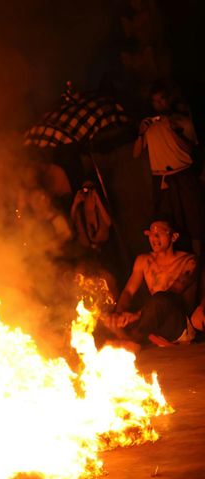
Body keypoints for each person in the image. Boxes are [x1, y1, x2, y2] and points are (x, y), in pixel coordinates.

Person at [133, 82, 203, 256]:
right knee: (168, 224)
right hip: (161, 179)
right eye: (155, 101)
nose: (159, 104)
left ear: (168, 100)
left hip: (183, 175)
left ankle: (199, 262)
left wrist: (173, 131)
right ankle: (175, 263)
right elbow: (135, 153)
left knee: (195, 221)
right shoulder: (148, 125)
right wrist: (141, 133)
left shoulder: (181, 121)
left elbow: (190, 151)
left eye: (162, 100)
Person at [102, 218, 196, 347]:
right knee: (105, 318)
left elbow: (172, 294)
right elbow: (129, 292)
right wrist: (119, 314)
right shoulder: (144, 260)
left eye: (159, 233)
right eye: (151, 234)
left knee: (160, 299)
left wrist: (137, 315)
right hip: (152, 321)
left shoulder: (189, 262)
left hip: (177, 324)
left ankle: (132, 341)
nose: (154, 238)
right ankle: (135, 338)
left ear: (174, 237)